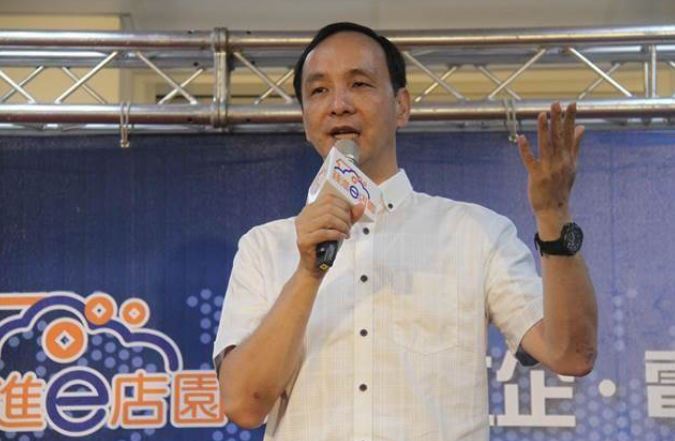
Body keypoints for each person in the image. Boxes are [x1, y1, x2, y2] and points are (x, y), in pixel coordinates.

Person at [213, 22, 598, 441]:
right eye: (319, 90)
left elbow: (571, 354)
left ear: (401, 106)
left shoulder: (475, 233)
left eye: (359, 84)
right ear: (306, 119)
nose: (338, 104)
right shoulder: (265, 247)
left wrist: (553, 215)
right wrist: (308, 272)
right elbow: (243, 405)